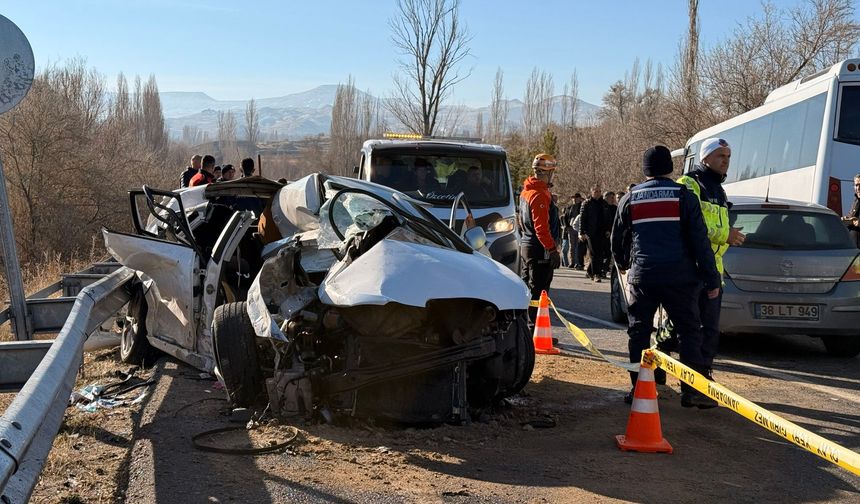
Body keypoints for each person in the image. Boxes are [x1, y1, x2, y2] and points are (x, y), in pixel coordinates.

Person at [611, 145, 721, 408]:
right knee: (689, 332)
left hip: (644, 277)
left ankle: (640, 389)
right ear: (670, 169)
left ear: (645, 169)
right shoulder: (683, 196)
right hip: (680, 278)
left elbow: (617, 238)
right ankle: (691, 391)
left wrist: (624, 263)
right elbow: (700, 241)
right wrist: (711, 279)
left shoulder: (631, 197)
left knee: (639, 332)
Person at [676, 137, 745, 382]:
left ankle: (703, 377)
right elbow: (691, 226)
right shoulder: (689, 184)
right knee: (684, 329)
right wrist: (726, 235)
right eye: (720, 156)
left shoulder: (719, 188)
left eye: (728, 156)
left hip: (713, 271)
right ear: (705, 158)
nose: (726, 161)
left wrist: (730, 236)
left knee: (710, 330)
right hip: (690, 269)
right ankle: (664, 362)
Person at [519, 153, 562, 324]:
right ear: (547, 172)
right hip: (539, 249)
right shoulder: (539, 194)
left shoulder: (526, 191)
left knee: (528, 289)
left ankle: (525, 328)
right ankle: (533, 329)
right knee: (539, 291)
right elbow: (541, 228)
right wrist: (552, 250)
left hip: (526, 245)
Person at [579, 185, 607, 282]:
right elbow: (582, 218)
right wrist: (581, 232)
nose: (597, 193)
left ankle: (589, 271)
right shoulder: (586, 203)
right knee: (594, 253)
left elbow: (607, 218)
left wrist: (608, 229)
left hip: (602, 232)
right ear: (592, 192)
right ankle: (596, 274)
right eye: (595, 192)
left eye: (599, 191)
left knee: (600, 253)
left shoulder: (604, 203)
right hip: (590, 232)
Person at [602, 191, 618, 275]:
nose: (613, 199)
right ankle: (594, 270)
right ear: (606, 197)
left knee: (609, 253)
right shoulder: (601, 207)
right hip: (601, 233)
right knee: (600, 253)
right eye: (611, 198)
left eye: (613, 198)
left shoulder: (615, 208)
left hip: (612, 233)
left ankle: (604, 269)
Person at [844, 173, 860, 248]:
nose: (858, 188)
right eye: (856, 185)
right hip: (853, 248)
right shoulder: (856, 200)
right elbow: (852, 217)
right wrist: (846, 219)